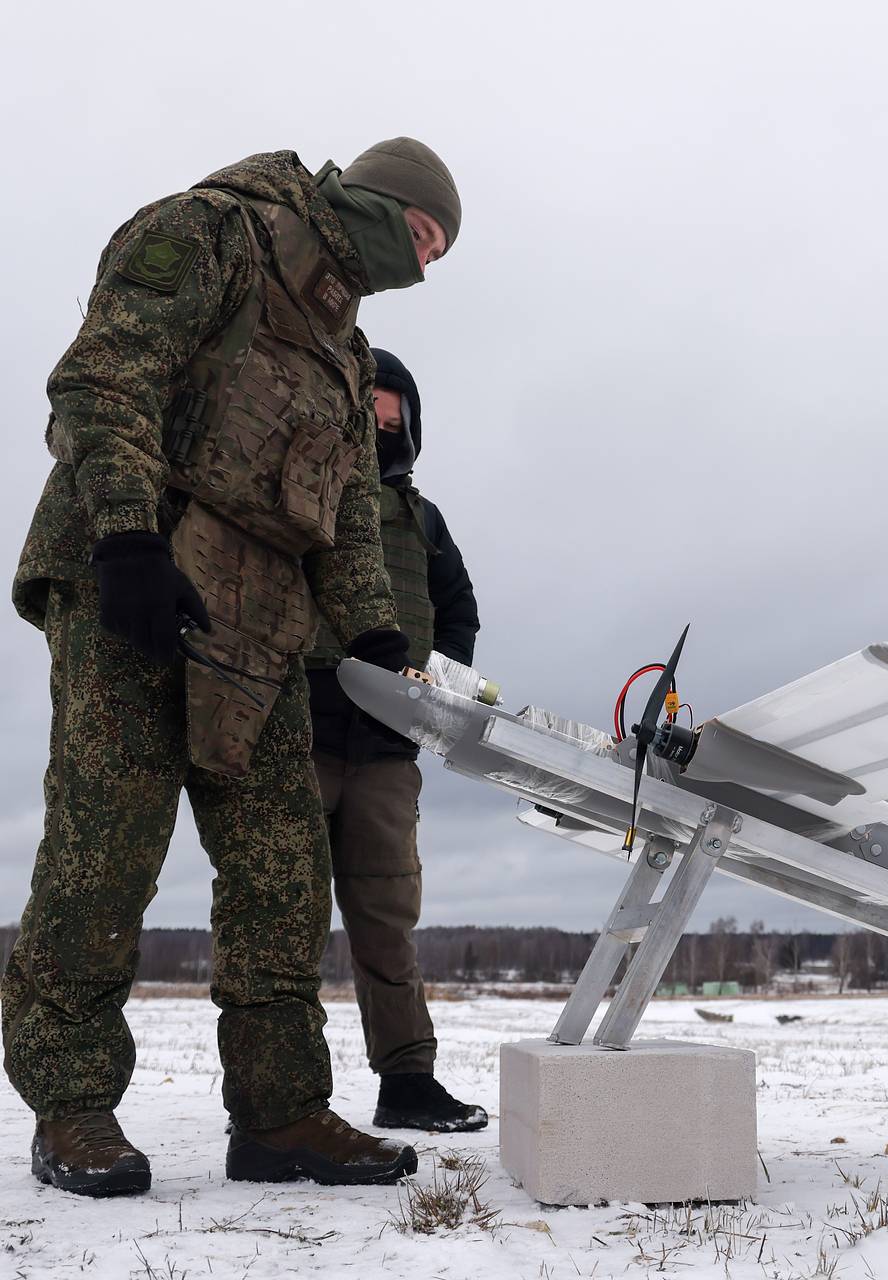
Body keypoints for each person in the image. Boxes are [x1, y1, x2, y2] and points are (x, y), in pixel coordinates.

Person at [2, 138, 463, 1197]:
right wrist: (126, 537)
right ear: (375, 201)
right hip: (138, 578)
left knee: (284, 869)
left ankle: (280, 1112)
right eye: (420, 235)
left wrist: (375, 634)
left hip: (262, 625)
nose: (421, 264)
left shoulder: (347, 351)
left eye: (437, 254)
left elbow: (347, 511)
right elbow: (104, 377)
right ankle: (73, 1104)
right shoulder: (213, 233)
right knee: (107, 848)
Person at [307, 347, 487, 1133]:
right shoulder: (303, 489)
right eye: (367, 408)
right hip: (301, 732)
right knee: (283, 918)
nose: (380, 424)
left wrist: (436, 690)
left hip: (387, 748)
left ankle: (408, 1082)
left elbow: (458, 609)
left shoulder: (425, 520)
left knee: (388, 918)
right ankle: (279, 1101)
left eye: (393, 413)